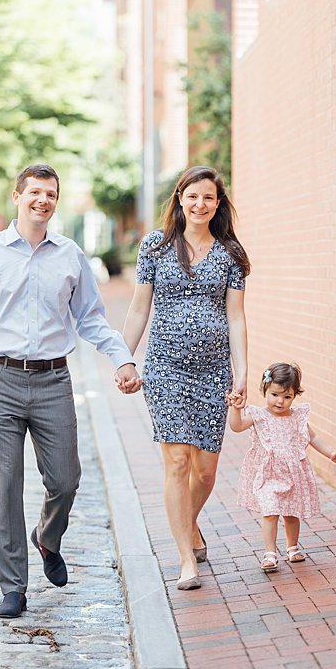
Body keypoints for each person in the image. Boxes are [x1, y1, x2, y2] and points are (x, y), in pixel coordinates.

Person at [0, 163, 142, 619]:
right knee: (5, 487)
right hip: (0, 380)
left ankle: (47, 538)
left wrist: (122, 357)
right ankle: (13, 586)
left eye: (50, 193)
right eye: (34, 192)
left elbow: (91, 318)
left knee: (65, 479)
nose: (43, 200)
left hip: (54, 380)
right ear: (17, 196)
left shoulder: (70, 256)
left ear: (56, 200)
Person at [121, 166, 250, 590]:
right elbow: (140, 308)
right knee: (177, 462)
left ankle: (188, 524)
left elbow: (236, 317)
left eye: (208, 198)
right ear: (180, 199)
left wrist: (242, 371)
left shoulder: (230, 254)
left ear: (218, 204)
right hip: (165, 368)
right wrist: (124, 358)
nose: (200, 204)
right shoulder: (155, 248)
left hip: (214, 372)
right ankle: (184, 559)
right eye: (192, 196)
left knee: (206, 472)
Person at [226, 363, 336, 573]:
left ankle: (292, 547)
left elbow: (313, 437)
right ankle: (270, 553)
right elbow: (236, 427)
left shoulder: (297, 417)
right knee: (270, 511)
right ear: (265, 389)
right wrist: (235, 410)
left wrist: (331, 454)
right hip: (268, 473)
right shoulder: (259, 416)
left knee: (292, 513)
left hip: (293, 473)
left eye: (287, 397)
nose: (280, 401)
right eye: (275, 394)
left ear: (294, 396)